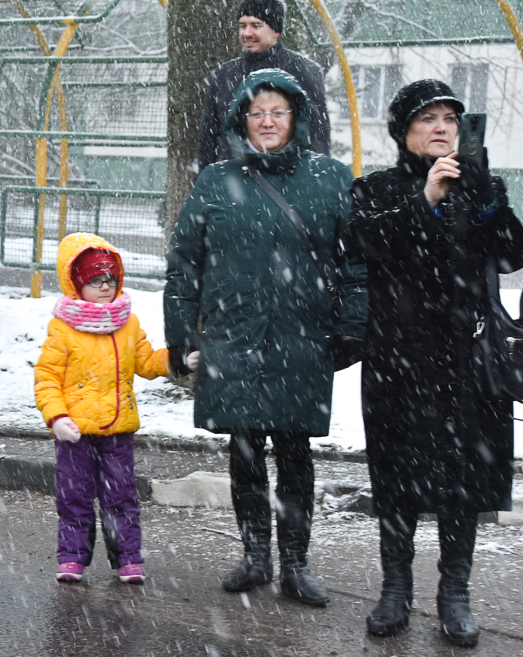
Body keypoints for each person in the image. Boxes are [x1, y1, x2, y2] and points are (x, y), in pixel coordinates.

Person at [164, 69, 367, 606]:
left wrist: (351, 330)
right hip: (233, 339)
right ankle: (255, 557)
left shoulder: (329, 178)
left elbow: (357, 265)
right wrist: (182, 334)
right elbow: (184, 264)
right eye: (258, 113)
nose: (268, 121)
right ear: (242, 121)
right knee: (246, 451)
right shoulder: (215, 180)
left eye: (278, 111)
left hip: (301, 340)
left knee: (295, 455)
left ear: (295, 117)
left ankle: (296, 565)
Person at [345, 80, 523, 648]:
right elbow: (366, 245)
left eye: (451, 117)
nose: (443, 127)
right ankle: (395, 589)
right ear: (403, 131)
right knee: (396, 478)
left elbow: (512, 256)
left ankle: (455, 594)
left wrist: (486, 196)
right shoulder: (375, 189)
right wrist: (423, 198)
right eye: (428, 118)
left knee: (462, 482)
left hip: (468, 363)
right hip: (397, 361)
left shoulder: (480, 185)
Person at [35, 233, 171, 585]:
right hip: (75, 434)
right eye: (96, 281)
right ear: (77, 285)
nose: (106, 286)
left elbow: (147, 361)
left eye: (110, 279)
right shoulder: (63, 329)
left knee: (121, 497)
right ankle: (72, 557)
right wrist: (57, 417)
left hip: (117, 431)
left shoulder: (128, 324)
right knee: (74, 497)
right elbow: (47, 377)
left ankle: (127, 558)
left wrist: (178, 361)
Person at [196, 0, 330, 173]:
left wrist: (314, 184)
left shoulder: (304, 72)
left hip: (287, 185)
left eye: (256, 25)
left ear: (276, 31)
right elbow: (208, 141)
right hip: (232, 187)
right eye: (242, 25)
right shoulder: (223, 75)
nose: (247, 33)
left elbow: (318, 138)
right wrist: (204, 186)